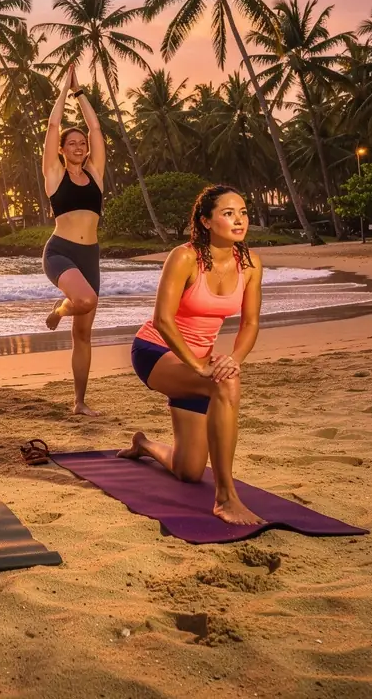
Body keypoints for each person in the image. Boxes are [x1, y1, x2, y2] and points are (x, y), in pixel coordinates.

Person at [117, 184, 264, 526]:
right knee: (226, 386)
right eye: (228, 213)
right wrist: (198, 365)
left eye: (242, 212)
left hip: (198, 366)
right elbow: (163, 320)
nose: (239, 220)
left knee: (189, 471)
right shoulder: (184, 257)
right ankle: (225, 497)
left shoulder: (251, 263)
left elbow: (251, 322)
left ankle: (144, 444)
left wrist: (234, 359)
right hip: (156, 352)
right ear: (206, 221)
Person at [41, 65, 106, 415]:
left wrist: (81, 93)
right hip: (60, 252)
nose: (80, 145)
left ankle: (79, 402)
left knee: (83, 334)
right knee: (83, 299)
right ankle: (59, 309)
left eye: (82, 143)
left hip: (89, 255)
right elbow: (52, 127)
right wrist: (63, 92)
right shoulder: (54, 174)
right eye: (73, 143)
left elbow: (96, 127)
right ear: (63, 149)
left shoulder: (96, 174)